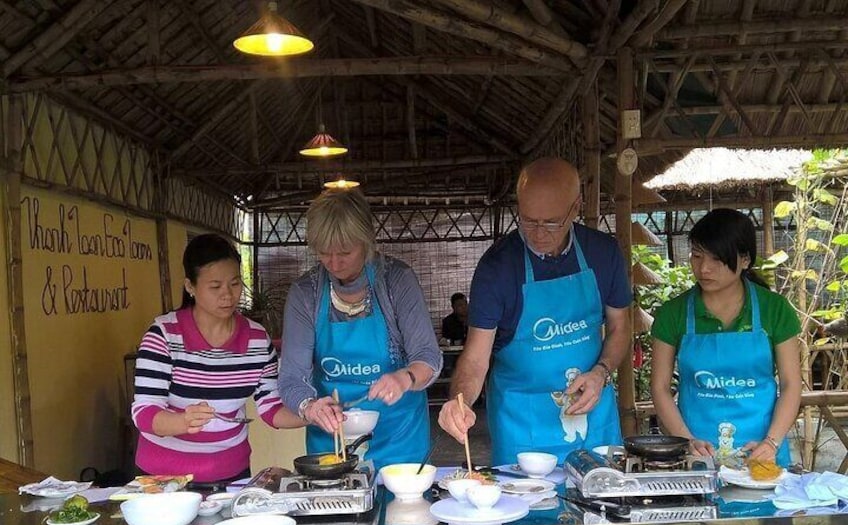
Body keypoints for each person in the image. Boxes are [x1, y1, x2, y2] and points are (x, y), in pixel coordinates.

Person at [438, 157, 632, 465]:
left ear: (577, 206)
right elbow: (476, 358)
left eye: (551, 222)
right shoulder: (497, 268)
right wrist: (458, 402)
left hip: (593, 416)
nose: (538, 234)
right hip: (523, 426)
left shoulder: (602, 253)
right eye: (528, 221)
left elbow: (621, 327)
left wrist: (601, 372)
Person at [650, 208, 802, 525]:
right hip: (696, 459)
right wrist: (685, 441)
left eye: (717, 260)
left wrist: (771, 442)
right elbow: (659, 389)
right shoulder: (673, 314)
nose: (703, 269)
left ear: (745, 259)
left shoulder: (775, 310)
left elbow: (792, 385)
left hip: (762, 457)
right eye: (697, 256)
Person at [278, 186, 442, 472]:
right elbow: (292, 377)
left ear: (367, 241)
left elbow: (428, 356)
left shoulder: (396, 281)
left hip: (400, 439)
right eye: (324, 253)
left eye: (344, 251)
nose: (334, 263)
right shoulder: (305, 294)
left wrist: (404, 378)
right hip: (332, 445)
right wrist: (310, 407)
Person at [131, 234, 303, 483]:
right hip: (164, 478)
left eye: (235, 284)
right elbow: (144, 412)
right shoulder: (164, 335)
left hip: (231, 475)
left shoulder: (256, 339)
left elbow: (271, 407)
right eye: (215, 286)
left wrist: (312, 413)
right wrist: (183, 421)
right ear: (190, 286)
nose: (228, 295)